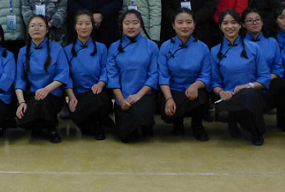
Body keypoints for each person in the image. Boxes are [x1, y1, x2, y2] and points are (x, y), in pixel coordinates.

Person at [211, 10, 271, 146]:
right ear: (220, 26)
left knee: (248, 95)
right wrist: (221, 92)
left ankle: (257, 132)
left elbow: (265, 77)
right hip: (229, 96)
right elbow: (214, 81)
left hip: (252, 95)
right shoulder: (214, 51)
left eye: (233, 23)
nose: (230, 27)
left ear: (240, 25)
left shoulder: (254, 48)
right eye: (225, 23)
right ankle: (233, 119)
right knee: (224, 113)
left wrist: (248, 86)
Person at [15, 15, 70, 143]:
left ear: (47, 30)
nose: (36, 28)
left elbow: (63, 74)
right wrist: (21, 102)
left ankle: (51, 129)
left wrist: (46, 89)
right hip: (32, 95)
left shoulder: (57, 48)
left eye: (40, 25)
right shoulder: (23, 51)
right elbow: (19, 79)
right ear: (28, 30)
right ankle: (40, 125)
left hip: (52, 94)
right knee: (24, 117)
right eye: (33, 26)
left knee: (43, 101)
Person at [159, 8, 211, 141]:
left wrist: (196, 85)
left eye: (188, 22)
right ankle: (177, 121)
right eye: (180, 22)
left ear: (194, 24)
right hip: (172, 90)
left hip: (193, 90)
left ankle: (197, 125)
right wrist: (169, 99)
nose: (185, 26)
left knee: (201, 96)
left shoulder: (203, 47)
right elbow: (163, 76)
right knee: (167, 114)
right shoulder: (165, 46)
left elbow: (206, 76)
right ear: (173, 25)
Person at [107, 10, 159, 142]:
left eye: (135, 23)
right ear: (122, 25)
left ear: (141, 25)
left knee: (139, 114)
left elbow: (154, 75)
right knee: (125, 136)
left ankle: (146, 122)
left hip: (144, 95)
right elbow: (112, 77)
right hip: (123, 97)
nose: (131, 26)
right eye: (127, 23)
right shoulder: (114, 47)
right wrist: (121, 100)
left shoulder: (151, 46)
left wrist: (138, 96)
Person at [242, 9, 285, 132]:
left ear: (262, 22)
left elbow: (278, 68)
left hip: (268, 83)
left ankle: (281, 120)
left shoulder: (272, 42)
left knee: (283, 83)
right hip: (248, 86)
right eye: (250, 20)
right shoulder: (240, 44)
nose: (254, 23)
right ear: (243, 25)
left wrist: (264, 80)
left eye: (257, 20)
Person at [64, 11, 109, 140]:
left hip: (96, 92)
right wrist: (71, 96)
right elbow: (66, 76)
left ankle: (98, 124)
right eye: (80, 24)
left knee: (99, 98)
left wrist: (100, 84)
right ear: (75, 26)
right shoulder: (67, 50)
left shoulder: (101, 48)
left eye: (87, 23)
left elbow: (106, 69)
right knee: (78, 113)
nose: (84, 27)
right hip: (78, 95)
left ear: (93, 26)